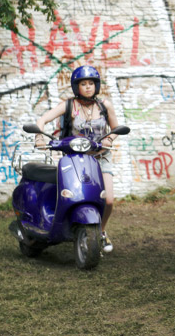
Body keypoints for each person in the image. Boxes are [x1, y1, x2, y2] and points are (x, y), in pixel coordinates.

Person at [35, 65, 120, 253]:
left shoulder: (105, 106)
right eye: (83, 84)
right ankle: (66, 226)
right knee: (71, 195)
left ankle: (101, 231)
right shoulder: (68, 105)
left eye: (91, 83)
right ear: (77, 87)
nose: (88, 87)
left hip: (100, 157)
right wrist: (39, 136)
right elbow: (42, 120)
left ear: (96, 86)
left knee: (108, 200)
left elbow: (115, 130)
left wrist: (109, 138)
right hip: (75, 159)